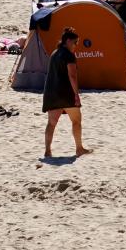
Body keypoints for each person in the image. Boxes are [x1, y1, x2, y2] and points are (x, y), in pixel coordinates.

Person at [40, 26, 87, 161]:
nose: (76, 45)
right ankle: (79, 148)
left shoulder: (55, 53)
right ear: (67, 41)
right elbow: (72, 76)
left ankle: (48, 151)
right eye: (74, 42)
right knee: (76, 121)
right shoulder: (68, 55)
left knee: (51, 123)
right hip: (66, 94)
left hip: (52, 94)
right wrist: (76, 95)